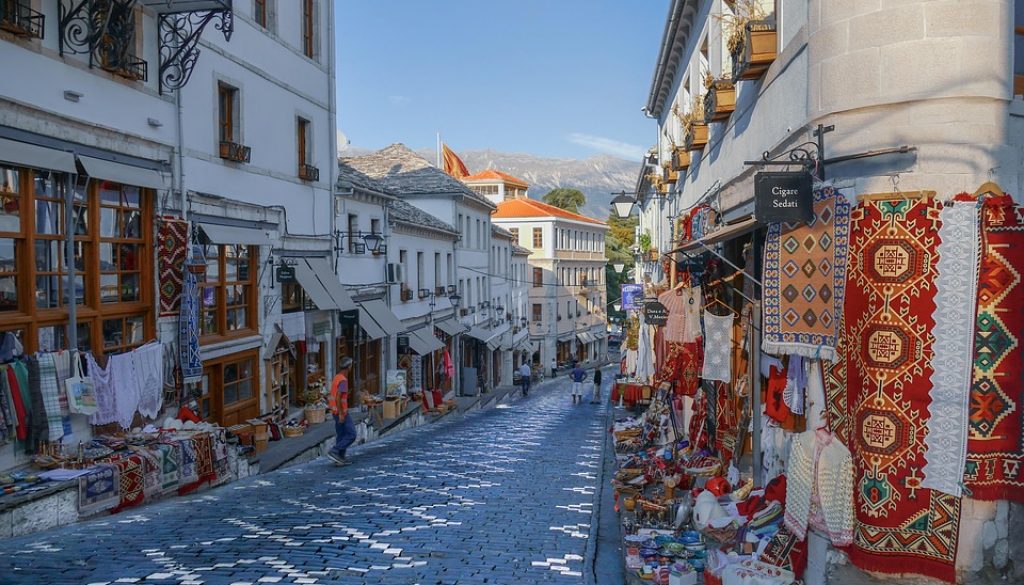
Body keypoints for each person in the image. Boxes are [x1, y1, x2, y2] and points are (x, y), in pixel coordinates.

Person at [327, 357, 357, 466]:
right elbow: (339, 397)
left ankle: (339, 458)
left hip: (335, 411)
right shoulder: (343, 380)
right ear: (348, 367)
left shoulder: (337, 378)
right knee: (351, 434)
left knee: (341, 434)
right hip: (341, 412)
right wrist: (341, 414)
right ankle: (335, 450)